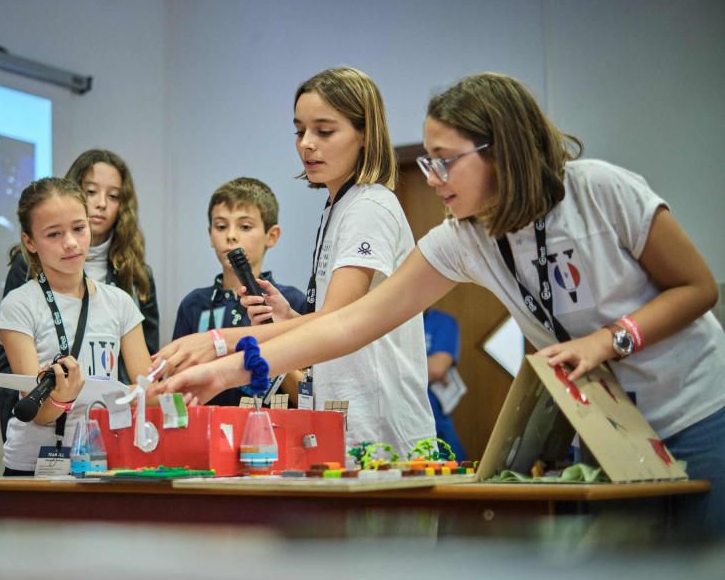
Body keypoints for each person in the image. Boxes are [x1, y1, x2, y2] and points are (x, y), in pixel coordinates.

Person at [153, 72, 725, 534]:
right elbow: (350, 324)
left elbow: (698, 289)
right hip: (605, 427)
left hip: (695, 410)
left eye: (444, 160)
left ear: (501, 151)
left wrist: (608, 341)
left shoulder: (599, 190)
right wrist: (225, 359)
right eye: (427, 160)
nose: (431, 178)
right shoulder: (462, 236)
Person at [153, 68, 433, 452]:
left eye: (324, 131)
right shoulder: (339, 205)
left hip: (380, 431)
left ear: (365, 133)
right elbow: (335, 323)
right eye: (300, 131)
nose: (307, 144)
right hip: (345, 423)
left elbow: (339, 323)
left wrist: (219, 342)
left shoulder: (369, 205)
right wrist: (290, 320)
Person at [0, 149, 159, 439]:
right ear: (30, 241)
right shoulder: (21, 299)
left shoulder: (122, 294)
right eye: (54, 234)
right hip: (37, 451)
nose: (70, 243)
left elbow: (149, 384)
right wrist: (49, 401)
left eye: (78, 229)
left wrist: (119, 396)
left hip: (103, 442)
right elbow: (24, 389)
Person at [172, 177, 306, 406]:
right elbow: (177, 390)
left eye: (245, 226)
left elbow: (307, 396)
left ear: (271, 235)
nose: (231, 236)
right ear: (210, 234)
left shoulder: (291, 302)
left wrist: (273, 342)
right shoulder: (194, 304)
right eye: (221, 226)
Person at [423, 308, 467, 461]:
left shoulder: (443, 321)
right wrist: (424, 367)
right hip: (394, 412)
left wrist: (394, 368)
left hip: (435, 415)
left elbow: (436, 368)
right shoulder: (390, 320)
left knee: (454, 467)